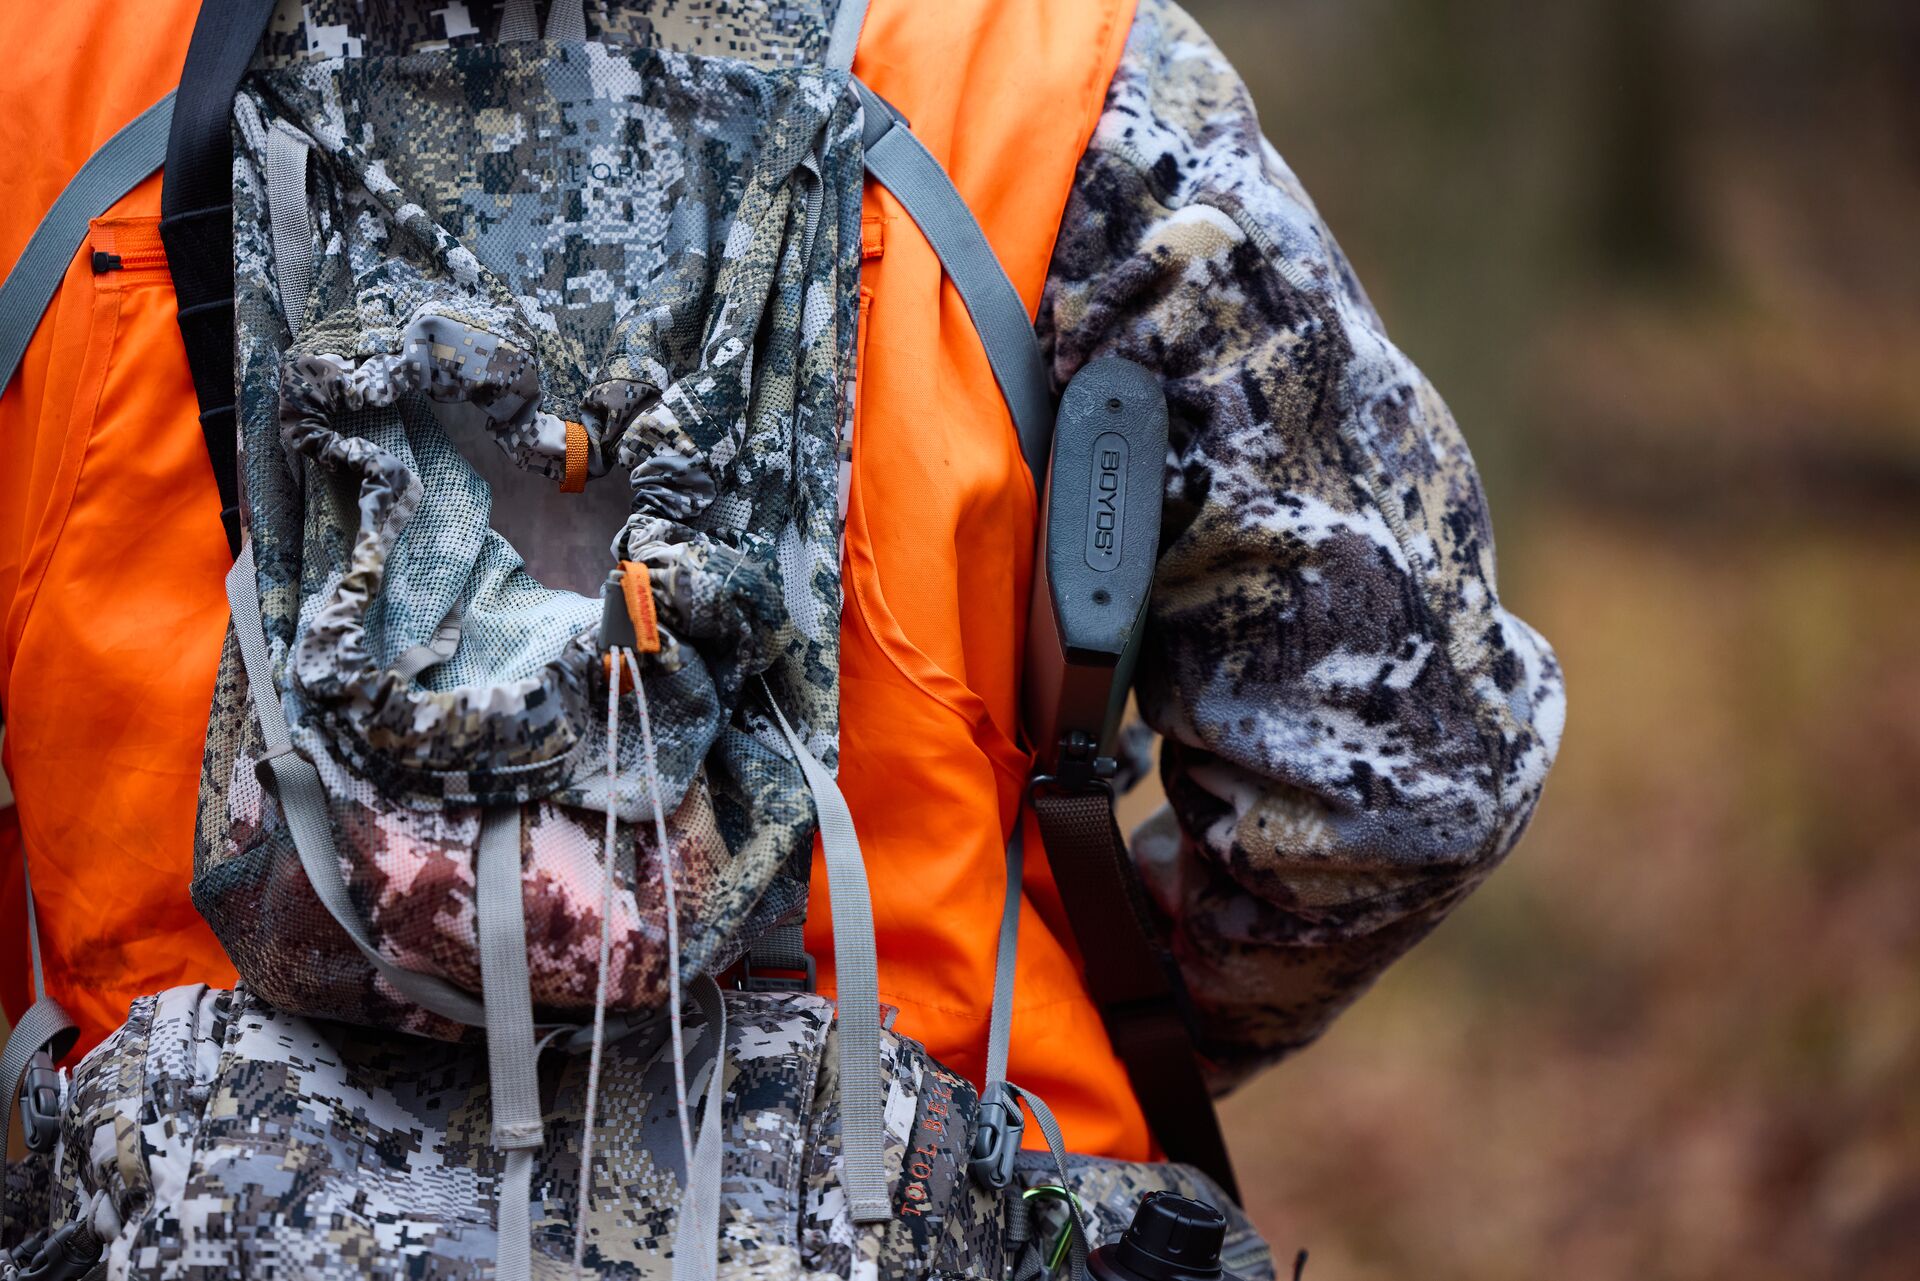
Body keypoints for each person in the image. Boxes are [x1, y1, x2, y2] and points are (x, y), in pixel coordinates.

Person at [0, 0, 1563, 1165]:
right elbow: (1407, 774)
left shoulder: (47, 73)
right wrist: (1077, 1011)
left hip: (172, 1211)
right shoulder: (1047, 77)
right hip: (916, 1196)